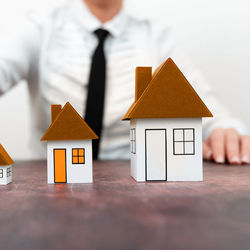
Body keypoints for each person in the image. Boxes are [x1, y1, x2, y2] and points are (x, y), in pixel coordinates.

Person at [0, 0, 249, 164]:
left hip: (133, 185)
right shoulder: (39, 29)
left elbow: (207, 109)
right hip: (55, 183)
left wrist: (225, 130)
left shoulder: (156, 38)